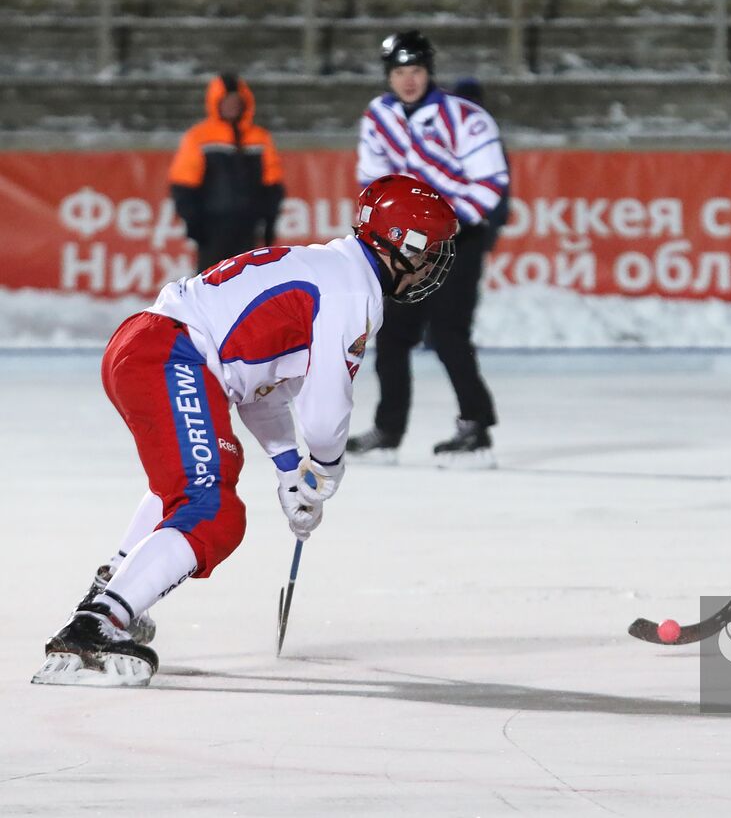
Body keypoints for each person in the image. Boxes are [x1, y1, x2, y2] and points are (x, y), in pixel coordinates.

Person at [32, 175, 459, 687]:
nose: (433, 266)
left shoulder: (329, 265)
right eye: (430, 253)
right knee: (213, 511)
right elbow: (326, 414)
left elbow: (261, 388)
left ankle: (109, 592)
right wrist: (322, 473)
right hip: (172, 353)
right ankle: (95, 628)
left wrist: (287, 469)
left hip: (144, 341)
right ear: (401, 247)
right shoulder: (352, 291)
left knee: (190, 484)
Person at [347, 31, 510, 468]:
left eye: (415, 70)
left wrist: (440, 223)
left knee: (448, 334)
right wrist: (397, 228)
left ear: (429, 71)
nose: (408, 80)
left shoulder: (466, 118)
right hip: (408, 247)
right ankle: (389, 431)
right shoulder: (378, 116)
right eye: (399, 72)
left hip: (458, 240)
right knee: (394, 336)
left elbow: (490, 184)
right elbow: (373, 181)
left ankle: (476, 427)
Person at [170, 73, 286, 272]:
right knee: (210, 282)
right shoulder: (199, 137)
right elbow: (183, 184)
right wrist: (193, 221)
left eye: (236, 101)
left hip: (248, 225)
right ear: (216, 103)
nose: (232, 106)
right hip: (212, 226)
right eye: (227, 101)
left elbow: (272, 184)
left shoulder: (260, 138)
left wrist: (270, 220)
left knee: (246, 282)